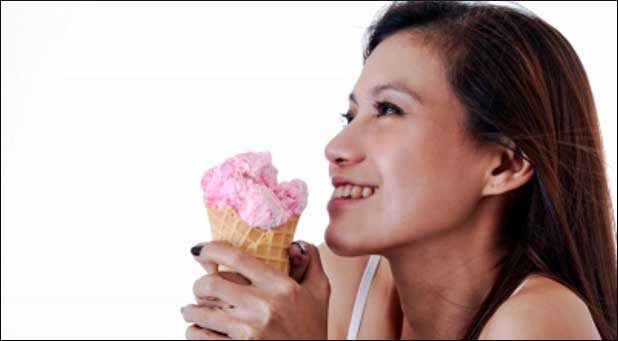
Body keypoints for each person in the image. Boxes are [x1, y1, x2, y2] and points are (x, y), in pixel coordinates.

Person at [181, 1, 617, 339]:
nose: (336, 148)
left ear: (505, 164)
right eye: (351, 117)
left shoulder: (539, 321)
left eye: (389, 110)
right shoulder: (334, 283)